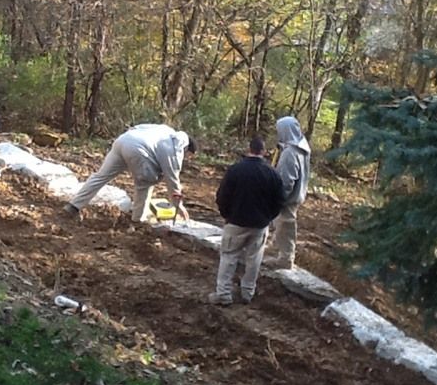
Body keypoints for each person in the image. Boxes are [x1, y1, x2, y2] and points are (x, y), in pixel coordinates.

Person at [64, 124, 197, 223]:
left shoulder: (164, 129)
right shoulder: (177, 147)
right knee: (145, 183)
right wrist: (178, 205)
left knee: (100, 176)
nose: (185, 159)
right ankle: (138, 220)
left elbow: (138, 127)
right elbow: (172, 176)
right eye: (188, 156)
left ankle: (73, 206)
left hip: (123, 141)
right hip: (138, 149)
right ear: (187, 149)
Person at [208, 136, 284, 306]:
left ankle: (223, 294)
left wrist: (227, 215)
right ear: (264, 152)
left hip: (235, 222)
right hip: (259, 225)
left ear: (249, 149)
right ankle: (247, 293)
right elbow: (279, 201)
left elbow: (222, 196)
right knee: (254, 259)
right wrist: (267, 218)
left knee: (228, 257)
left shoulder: (235, 170)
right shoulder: (272, 174)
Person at [264, 116, 311, 270]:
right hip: (295, 195)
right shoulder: (301, 149)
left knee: (286, 225)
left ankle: (286, 258)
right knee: (280, 224)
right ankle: (275, 248)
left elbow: (286, 179)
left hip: (287, 198)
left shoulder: (291, 153)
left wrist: (277, 197)